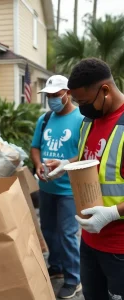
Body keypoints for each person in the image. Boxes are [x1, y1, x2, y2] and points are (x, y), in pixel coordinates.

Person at [61, 58, 124, 300]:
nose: (80, 108)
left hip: (119, 248)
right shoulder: (90, 119)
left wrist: (111, 213)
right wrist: (67, 164)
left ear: (105, 90)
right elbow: (92, 155)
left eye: (84, 102)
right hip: (89, 241)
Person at [30, 75, 83, 299]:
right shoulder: (45, 119)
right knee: (48, 230)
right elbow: (35, 147)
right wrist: (38, 165)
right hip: (47, 187)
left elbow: (85, 153)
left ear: (68, 93)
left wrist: (64, 165)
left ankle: (73, 279)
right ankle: (56, 266)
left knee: (68, 234)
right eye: (49, 96)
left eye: (55, 95)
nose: (51, 99)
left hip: (69, 189)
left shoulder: (82, 119)